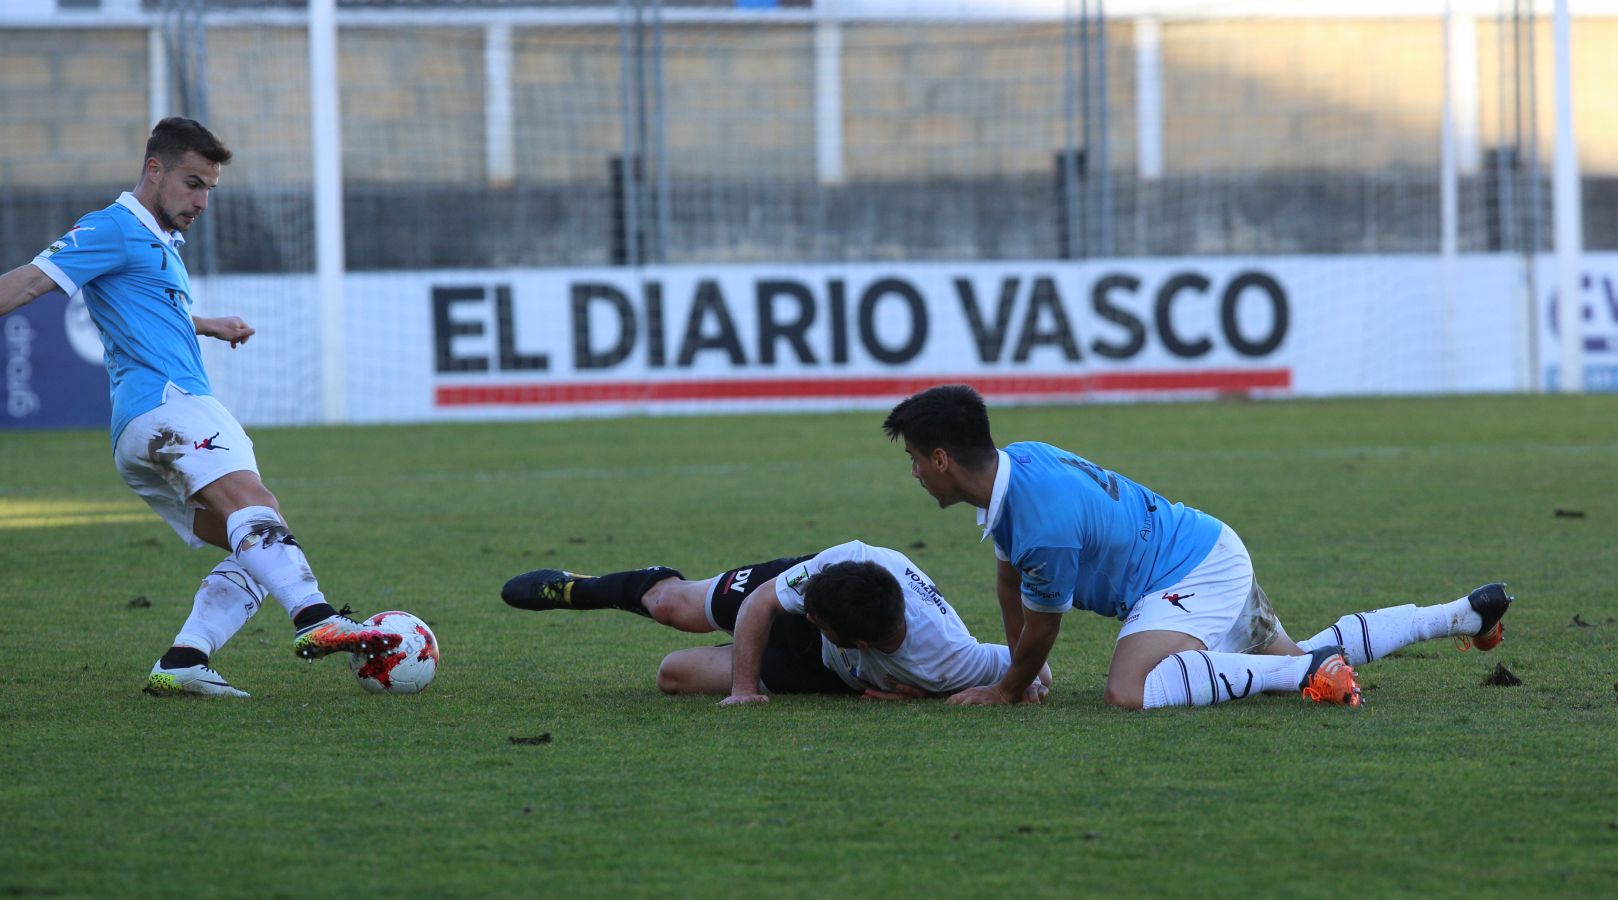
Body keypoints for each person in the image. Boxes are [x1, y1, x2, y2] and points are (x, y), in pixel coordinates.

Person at [0, 118, 397, 697]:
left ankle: (186, 658)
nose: (202, 201)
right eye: (192, 183)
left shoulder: (158, 243)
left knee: (263, 545)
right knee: (256, 511)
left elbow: (147, 308)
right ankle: (316, 619)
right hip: (171, 405)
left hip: (140, 429)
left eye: (210, 188)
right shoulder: (113, 227)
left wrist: (206, 324)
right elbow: (28, 284)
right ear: (154, 170)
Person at [880, 383, 1514, 709]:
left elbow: (1045, 625)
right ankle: (1459, 615)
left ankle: (1303, 676)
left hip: (1185, 575)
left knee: (1129, 690)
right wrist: (1025, 671)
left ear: (942, 458)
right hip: (1205, 548)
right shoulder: (1021, 465)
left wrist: (1010, 685)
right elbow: (1010, 580)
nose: (912, 473)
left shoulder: (1040, 520)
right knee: (1299, 650)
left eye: (914, 459)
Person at [500, 540, 1052, 704]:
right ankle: (575, 587)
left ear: (860, 642)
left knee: (673, 675)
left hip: (827, 668)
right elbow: (765, 602)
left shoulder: (945, 660)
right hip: (802, 584)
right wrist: (744, 691)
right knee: (673, 608)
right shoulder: (855, 561)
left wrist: (995, 692)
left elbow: (1037, 674)